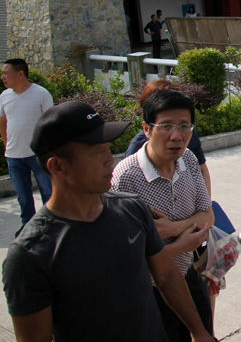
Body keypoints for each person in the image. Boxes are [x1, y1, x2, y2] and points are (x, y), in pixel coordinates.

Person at [2, 101, 214, 342]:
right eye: (97, 152)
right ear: (58, 166)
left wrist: (198, 331)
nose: (109, 160)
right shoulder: (31, 255)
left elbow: (166, 276)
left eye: (107, 148)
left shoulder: (132, 209)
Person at [112, 90, 214, 341]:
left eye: (185, 126)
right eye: (166, 126)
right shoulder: (126, 178)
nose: (177, 136)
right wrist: (182, 244)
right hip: (149, 291)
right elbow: (126, 260)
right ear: (146, 129)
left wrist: (171, 230)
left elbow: (208, 216)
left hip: (187, 275)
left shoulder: (188, 160)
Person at [125, 80, 211, 197]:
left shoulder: (189, 153)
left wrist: (207, 204)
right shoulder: (129, 166)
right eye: (166, 126)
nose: (176, 136)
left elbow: (203, 170)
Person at [0, 59, 54, 237]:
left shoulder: (41, 94)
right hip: (14, 156)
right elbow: (2, 122)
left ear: (20, 74)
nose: (2, 77)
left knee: (48, 192)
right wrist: (6, 142)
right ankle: (28, 228)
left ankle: (51, 226)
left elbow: (51, 122)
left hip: (37, 154)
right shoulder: (4, 96)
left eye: (6, 73)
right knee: (23, 197)